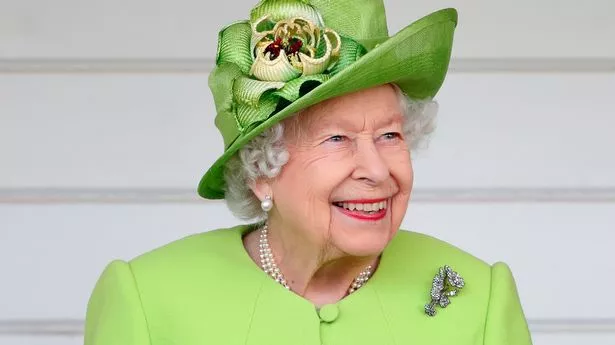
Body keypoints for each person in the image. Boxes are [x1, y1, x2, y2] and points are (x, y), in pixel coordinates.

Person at [84, 0, 533, 344]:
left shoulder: (481, 295)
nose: (377, 170)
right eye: (336, 139)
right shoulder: (147, 297)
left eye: (390, 136)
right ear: (262, 169)